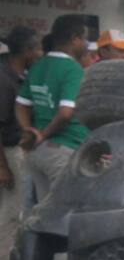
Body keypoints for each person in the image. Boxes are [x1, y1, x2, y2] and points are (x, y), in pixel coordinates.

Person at [14, 14, 89, 205]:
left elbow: (21, 105)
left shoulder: (38, 66)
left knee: (45, 212)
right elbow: (65, 113)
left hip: (38, 152)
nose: (86, 44)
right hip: (65, 150)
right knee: (66, 212)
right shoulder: (73, 69)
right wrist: (42, 134)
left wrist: (29, 131)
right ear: (75, 39)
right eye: (85, 38)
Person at [0, 26, 41, 260]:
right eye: (37, 49)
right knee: (12, 211)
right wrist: (3, 167)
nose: (40, 54)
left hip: (19, 150)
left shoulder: (21, 77)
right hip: (9, 152)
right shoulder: (4, 81)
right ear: (26, 51)